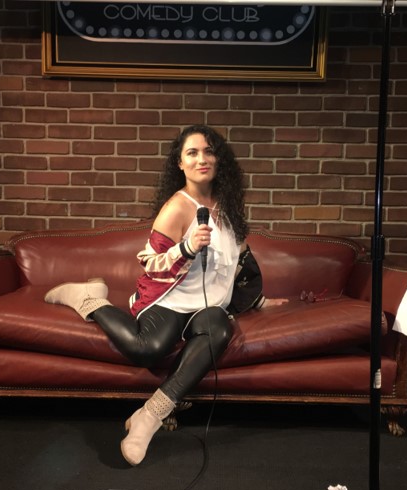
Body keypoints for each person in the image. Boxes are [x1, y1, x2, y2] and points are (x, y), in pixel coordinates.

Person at [44, 124, 267, 466]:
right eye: (192, 153)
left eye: (209, 152)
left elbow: (236, 262)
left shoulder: (229, 208)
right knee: (147, 349)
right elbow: (151, 263)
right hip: (169, 299)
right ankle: (90, 299)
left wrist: (258, 300)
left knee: (219, 329)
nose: (202, 159)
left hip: (206, 307)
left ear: (219, 159)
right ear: (180, 163)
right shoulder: (177, 207)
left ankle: (149, 417)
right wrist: (187, 248)